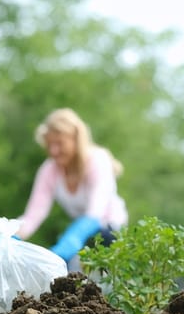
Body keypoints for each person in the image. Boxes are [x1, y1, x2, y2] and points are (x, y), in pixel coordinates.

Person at [15, 108, 128, 269]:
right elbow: (34, 215)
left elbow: (95, 212)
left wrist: (71, 241)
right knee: (65, 272)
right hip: (80, 230)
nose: (54, 151)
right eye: (49, 145)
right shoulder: (49, 170)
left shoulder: (97, 161)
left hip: (110, 230)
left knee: (103, 273)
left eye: (59, 143)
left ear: (75, 139)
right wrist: (12, 234)